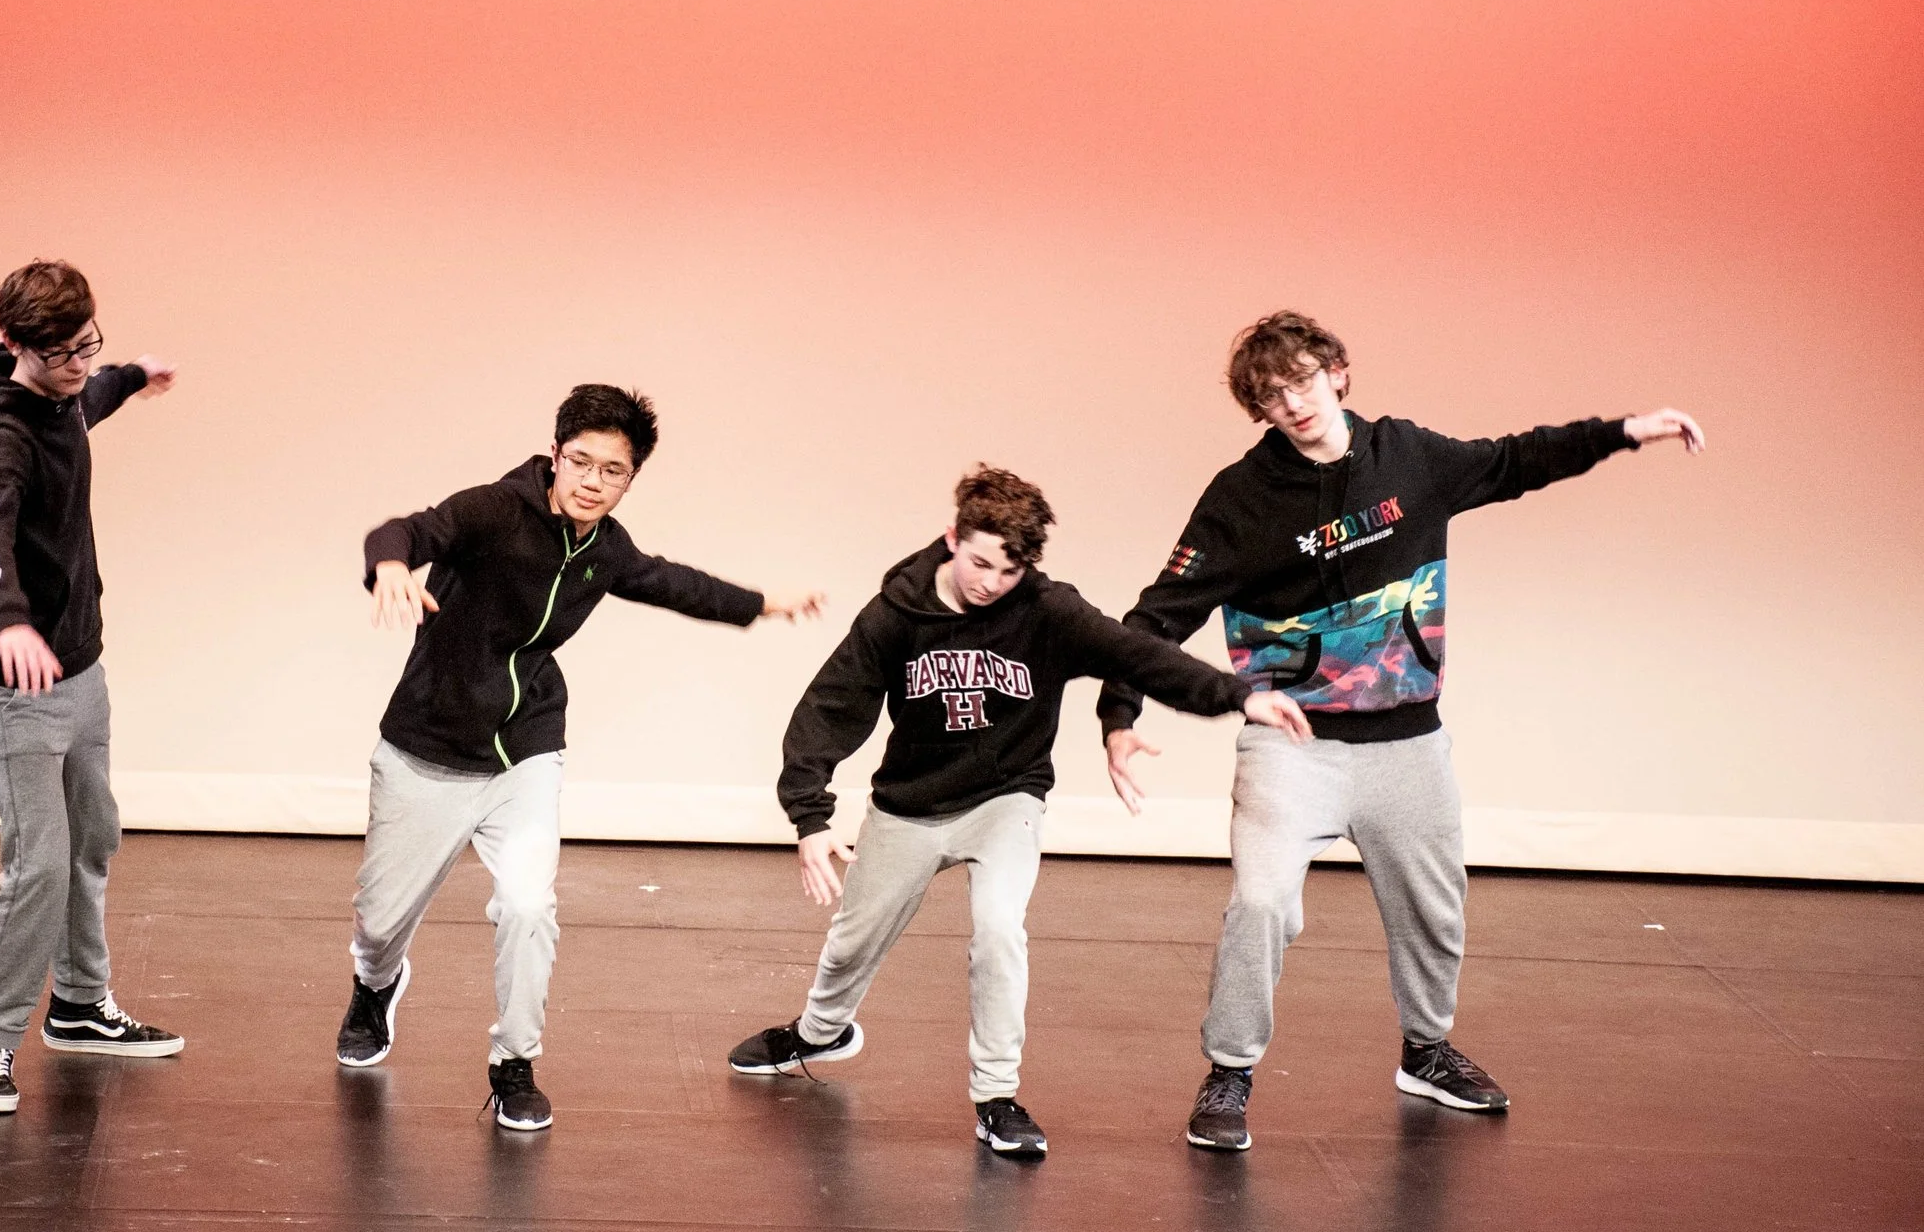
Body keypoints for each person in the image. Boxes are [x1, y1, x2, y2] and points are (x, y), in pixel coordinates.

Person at [1096, 311, 1706, 1152]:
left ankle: (1426, 1050)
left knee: (1434, 908)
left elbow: (1514, 459)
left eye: (1305, 381)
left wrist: (1626, 432)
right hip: (1292, 740)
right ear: (1259, 410)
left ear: (1340, 373)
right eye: (1273, 396)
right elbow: (1153, 618)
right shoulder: (1240, 498)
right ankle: (1230, 1069)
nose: (1295, 403)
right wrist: (1117, 717)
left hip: (1408, 740)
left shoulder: (1409, 458)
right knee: (1263, 903)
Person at [727, 467, 1313, 1158]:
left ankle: (996, 1095)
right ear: (952, 538)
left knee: (1001, 929)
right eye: (978, 562)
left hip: (1008, 797)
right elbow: (830, 707)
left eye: (1007, 571)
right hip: (910, 804)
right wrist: (811, 815)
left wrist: (1236, 696)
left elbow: (1139, 654)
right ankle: (821, 1032)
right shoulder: (896, 613)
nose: (989, 583)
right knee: (853, 941)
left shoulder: (1046, 610)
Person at [342, 384, 824, 1131]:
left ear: (632, 478)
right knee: (379, 921)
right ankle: (375, 985)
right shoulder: (490, 510)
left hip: (525, 750)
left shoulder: (607, 549)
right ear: (556, 454)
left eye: (614, 470)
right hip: (427, 746)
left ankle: (514, 1061)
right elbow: (403, 529)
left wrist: (763, 602)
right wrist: (391, 568)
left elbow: (675, 583)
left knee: (529, 905)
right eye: (581, 462)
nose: (594, 481)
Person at [0, 260, 186, 1114]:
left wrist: (128, 375)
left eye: (90, 344)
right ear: (17, 346)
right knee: (38, 862)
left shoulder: (65, 391)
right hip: (14, 684)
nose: (79, 364)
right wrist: (10, 618)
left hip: (80, 667)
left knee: (93, 835)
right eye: (61, 354)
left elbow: (85, 405)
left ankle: (81, 1005)